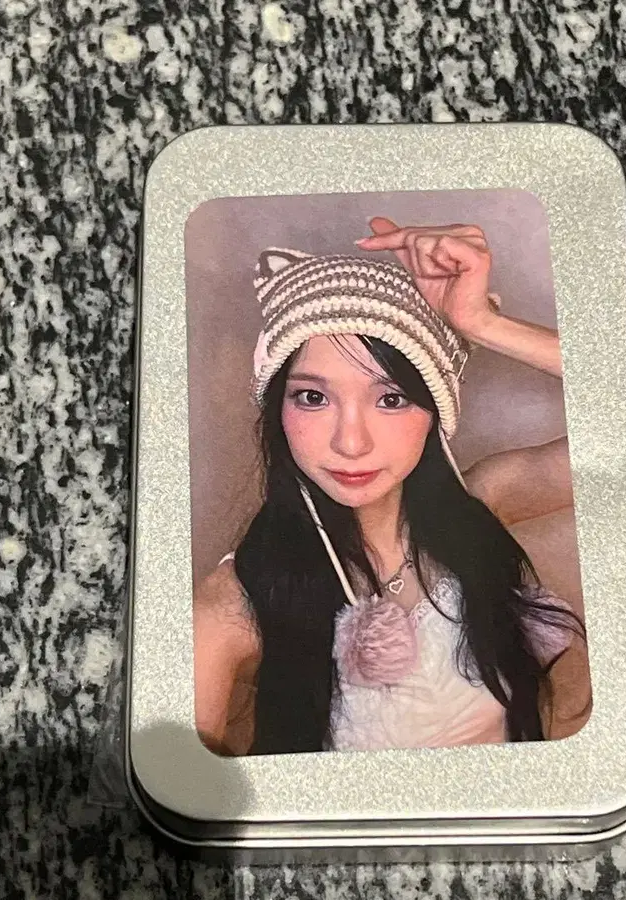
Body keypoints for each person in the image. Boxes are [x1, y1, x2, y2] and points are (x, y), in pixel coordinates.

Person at [194, 217, 591, 757]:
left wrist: (482, 324)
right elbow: (174, 795)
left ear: (436, 412)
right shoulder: (234, 603)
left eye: (391, 399)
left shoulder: (478, 508)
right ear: (277, 410)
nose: (350, 443)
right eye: (313, 397)